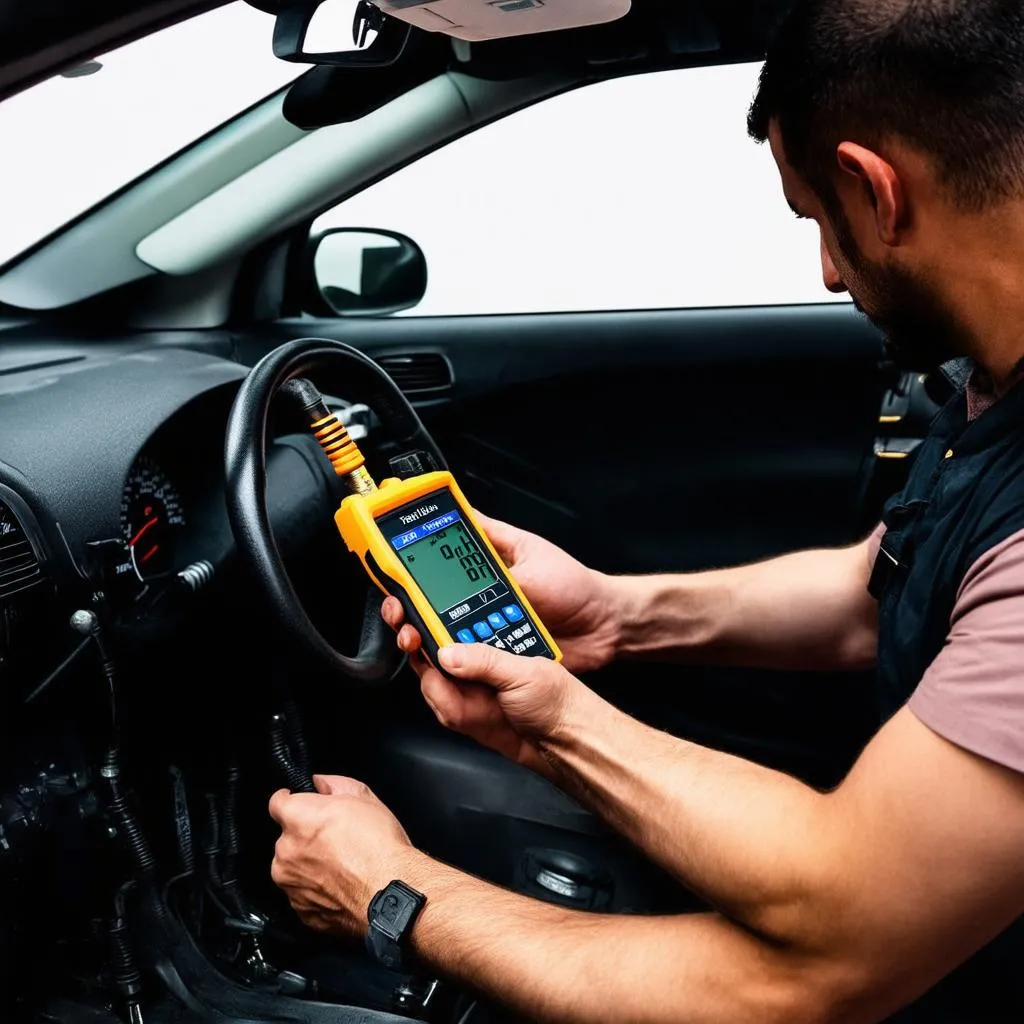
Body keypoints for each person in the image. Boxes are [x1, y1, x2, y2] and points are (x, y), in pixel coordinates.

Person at [267, 1, 1024, 1020]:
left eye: (817, 222)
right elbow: (883, 584)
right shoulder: (1000, 377)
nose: (828, 274)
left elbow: (822, 967)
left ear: (876, 189)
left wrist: (387, 893)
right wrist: (619, 614)